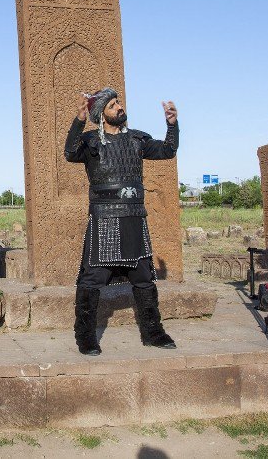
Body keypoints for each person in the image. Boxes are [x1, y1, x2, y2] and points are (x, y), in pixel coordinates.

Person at [64, 88, 180, 355]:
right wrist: (79, 120)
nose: (119, 107)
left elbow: (167, 151)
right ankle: (85, 337)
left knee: (144, 278)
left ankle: (153, 332)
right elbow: (70, 153)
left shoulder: (137, 139)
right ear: (102, 115)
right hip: (105, 218)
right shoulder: (91, 141)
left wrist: (171, 124)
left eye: (119, 103)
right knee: (92, 280)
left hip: (133, 218)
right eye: (113, 105)